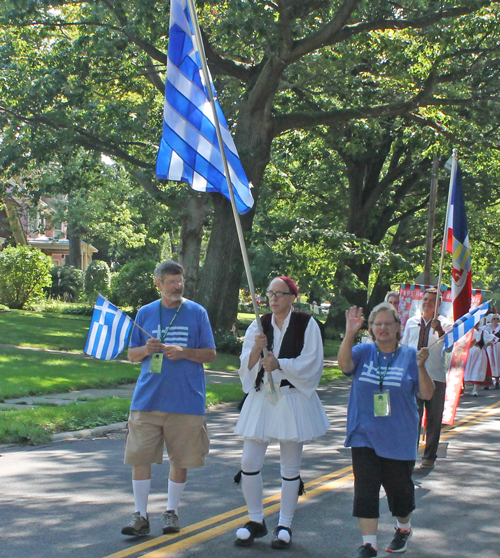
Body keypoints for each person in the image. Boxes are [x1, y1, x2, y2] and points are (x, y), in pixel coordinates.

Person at [121, 260, 216, 537]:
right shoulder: (146, 312)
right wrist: (145, 349)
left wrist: (184, 351)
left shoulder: (197, 313)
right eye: (172, 281)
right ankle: (140, 515)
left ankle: (171, 513)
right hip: (147, 399)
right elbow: (131, 355)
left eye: (180, 280)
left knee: (181, 459)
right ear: (158, 284)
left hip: (186, 400)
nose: (178, 286)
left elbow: (210, 354)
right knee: (141, 457)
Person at [233, 276, 329, 550]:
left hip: (292, 397)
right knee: (249, 463)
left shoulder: (306, 324)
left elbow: (312, 362)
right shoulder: (258, 323)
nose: (273, 298)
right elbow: (246, 366)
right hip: (263, 396)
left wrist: (280, 363)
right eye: (270, 293)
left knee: (290, 465)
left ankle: (285, 524)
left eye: (280, 293)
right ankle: (255, 520)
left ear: (291, 297)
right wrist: (255, 347)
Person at [338, 303, 433, 558]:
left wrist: (422, 367)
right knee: (366, 489)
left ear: (398, 327)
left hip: (399, 437)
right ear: (370, 328)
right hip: (364, 434)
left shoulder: (411, 356)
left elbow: (426, 393)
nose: (383, 328)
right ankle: (369, 544)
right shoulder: (363, 351)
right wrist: (349, 333)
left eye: (388, 323)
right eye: (377, 324)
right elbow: (344, 365)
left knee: (399, 495)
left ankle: (403, 527)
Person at [401, 288, 452, 469]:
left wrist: (439, 330)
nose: (427, 302)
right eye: (425, 299)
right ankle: (409, 454)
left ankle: (429, 456)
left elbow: (449, 348)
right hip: (413, 376)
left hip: (435, 376)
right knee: (413, 417)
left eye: (432, 300)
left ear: (438, 304)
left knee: (433, 418)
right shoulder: (412, 322)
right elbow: (405, 347)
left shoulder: (445, 324)